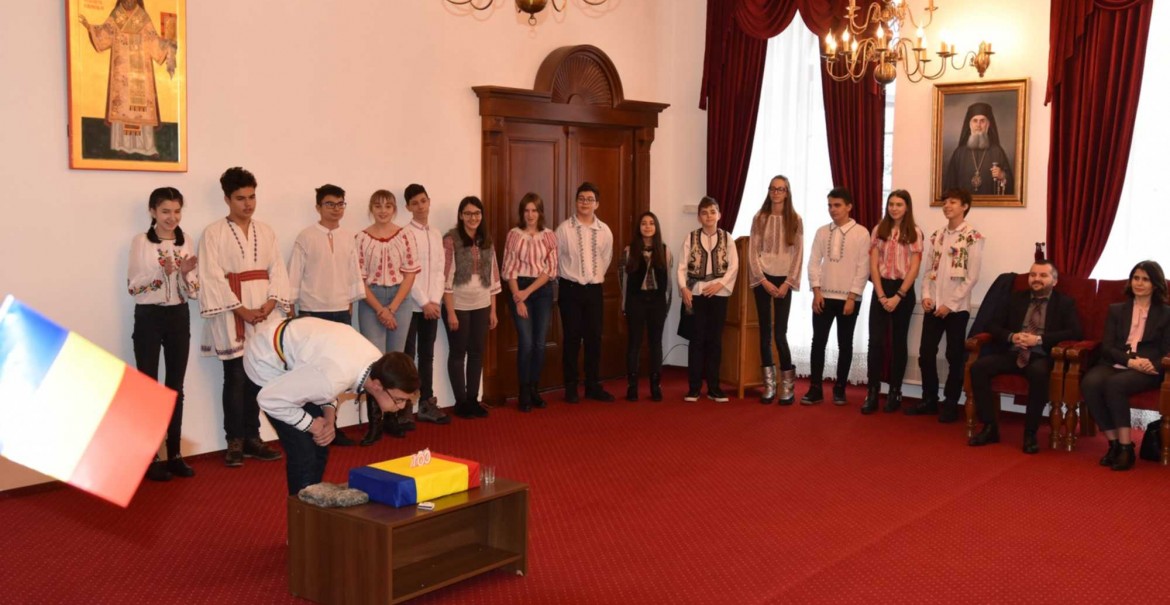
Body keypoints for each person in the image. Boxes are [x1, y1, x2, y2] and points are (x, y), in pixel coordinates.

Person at [244, 317, 419, 495]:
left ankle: (314, 500)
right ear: (377, 386)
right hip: (265, 358)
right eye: (398, 400)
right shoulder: (333, 378)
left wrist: (329, 418)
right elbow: (270, 399)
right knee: (303, 452)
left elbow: (326, 379)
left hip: (303, 354)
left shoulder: (376, 364)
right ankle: (301, 507)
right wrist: (312, 425)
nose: (401, 407)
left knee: (321, 443)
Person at [197, 166, 288, 467]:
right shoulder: (213, 233)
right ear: (227, 199)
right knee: (235, 377)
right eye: (240, 198)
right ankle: (234, 441)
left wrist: (272, 302)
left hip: (264, 311)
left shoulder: (266, 231)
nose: (248, 204)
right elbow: (211, 277)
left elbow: (278, 269)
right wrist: (241, 309)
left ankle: (253, 437)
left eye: (251, 197)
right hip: (231, 312)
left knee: (258, 376)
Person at [356, 190, 445, 443]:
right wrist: (380, 310)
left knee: (397, 361)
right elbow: (359, 279)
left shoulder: (405, 235)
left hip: (400, 300)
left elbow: (410, 274)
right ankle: (375, 423)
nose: (383, 211)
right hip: (371, 301)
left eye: (387, 206)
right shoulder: (360, 238)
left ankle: (394, 418)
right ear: (371, 209)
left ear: (394, 209)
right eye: (378, 206)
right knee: (374, 364)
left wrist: (392, 308)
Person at [968, 260, 1082, 453]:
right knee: (978, 367)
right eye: (1033, 275)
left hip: (1042, 355)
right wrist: (1012, 336)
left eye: (1043, 275)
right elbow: (992, 325)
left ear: (1054, 281)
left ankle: (1030, 433)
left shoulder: (1064, 303)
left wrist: (1039, 339)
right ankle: (989, 427)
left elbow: (1075, 332)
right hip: (1013, 352)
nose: (1036, 279)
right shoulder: (1015, 298)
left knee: (1038, 373)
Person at [128, 187, 199, 482]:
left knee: (175, 388)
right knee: (149, 388)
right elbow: (134, 287)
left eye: (177, 211)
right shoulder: (141, 242)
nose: (172, 217)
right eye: (166, 211)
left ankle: (175, 454)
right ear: (153, 212)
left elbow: (194, 291)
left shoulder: (187, 241)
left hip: (178, 317)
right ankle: (150, 457)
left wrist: (183, 273)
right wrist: (162, 272)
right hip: (149, 317)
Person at [287, 184, 366, 446]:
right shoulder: (306, 236)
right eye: (330, 204)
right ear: (318, 207)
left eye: (340, 204)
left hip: (340, 311)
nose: (335, 209)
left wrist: (349, 303)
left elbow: (353, 273)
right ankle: (312, 425)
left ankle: (333, 425)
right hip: (312, 311)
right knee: (312, 372)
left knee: (337, 373)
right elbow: (294, 275)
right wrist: (291, 307)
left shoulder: (348, 237)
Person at [1082, 260, 1170, 471]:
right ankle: (1114, 443)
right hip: (1117, 361)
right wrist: (1130, 361)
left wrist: (1153, 365)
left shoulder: (1166, 314)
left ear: (1156, 284)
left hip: (1148, 367)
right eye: (1135, 278)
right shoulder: (1117, 310)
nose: (1139, 283)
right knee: (1089, 383)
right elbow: (1107, 347)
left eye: (1145, 279)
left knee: (1115, 385)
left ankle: (1125, 447)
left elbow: (1166, 349)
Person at [909, 188, 984, 422]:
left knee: (954, 356)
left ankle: (951, 402)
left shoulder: (973, 237)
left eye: (953, 202)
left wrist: (950, 304)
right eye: (945, 202)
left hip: (957, 309)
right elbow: (928, 270)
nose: (947, 206)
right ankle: (929, 399)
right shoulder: (937, 235)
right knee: (926, 354)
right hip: (933, 306)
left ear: (965, 206)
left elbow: (972, 277)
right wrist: (926, 295)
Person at [77, 0, 177, 157]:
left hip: (141, 73)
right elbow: (104, 35)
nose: (129, 1)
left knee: (143, 108)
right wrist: (90, 27)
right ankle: (122, 145)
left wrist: (168, 44)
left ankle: (147, 147)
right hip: (122, 72)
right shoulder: (117, 16)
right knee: (122, 105)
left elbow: (154, 41)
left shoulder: (142, 17)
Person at [802, 188, 870, 406]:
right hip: (823, 296)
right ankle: (815, 388)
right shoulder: (822, 232)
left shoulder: (862, 233)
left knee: (845, 344)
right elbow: (813, 262)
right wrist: (816, 291)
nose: (833, 209)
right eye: (830, 205)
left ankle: (840, 388)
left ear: (849, 206)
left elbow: (863, 268)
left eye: (837, 205)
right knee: (818, 342)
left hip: (849, 299)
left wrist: (852, 297)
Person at [861, 190, 924, 414]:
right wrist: (880, 295)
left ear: (907, 208)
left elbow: (914, 268)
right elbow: (873, 265)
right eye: (891, 204)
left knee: (898, 342)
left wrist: (898, 296)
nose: (894, 208)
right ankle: (872, 391)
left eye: (899, 204)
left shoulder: (914, 232)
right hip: (881, 288)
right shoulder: (879, 230)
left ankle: (895, 391)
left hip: (903, 291)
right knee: (875, 342)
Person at [556, 182, 615, 403]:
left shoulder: (604, 231)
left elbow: (606, 259)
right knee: (571, 339)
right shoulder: (564, 229)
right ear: (575, 202)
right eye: (581, 198)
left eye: (590, 199)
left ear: (596, 204)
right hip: (570, 290)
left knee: (594, 339)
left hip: (594, 291)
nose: (585, 203)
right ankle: (571, 387)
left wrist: (593, 278)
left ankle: (592, 385)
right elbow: (556, 259)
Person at [747, 175, 804, 405]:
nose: (776, 193)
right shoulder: (759, 218)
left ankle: (787, 386)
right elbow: (752, 252)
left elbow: (798, 254)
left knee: (780, 333)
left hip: (784, 281)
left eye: (780, 189)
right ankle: (769, 385)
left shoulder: (795, 220)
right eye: (773, 189)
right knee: (765, 333)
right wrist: (762, 280)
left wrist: (788, 283)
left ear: (787, 192)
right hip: (763, 279)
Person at [443, 196, 501, 419]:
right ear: (460, 215)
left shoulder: (486, 240)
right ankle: (460, 402)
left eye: (476, 213)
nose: (473, 218)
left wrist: (493, 310)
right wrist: (450, 312)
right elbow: (446, 277)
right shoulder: (451, 240)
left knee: (477, 353)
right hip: (458, 305)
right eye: (468, 213)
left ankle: (473, 399)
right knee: (458, 353)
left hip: (482, 304)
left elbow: (493, 276)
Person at [501, 193, 558, 412]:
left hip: (541, 291)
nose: (530, 215)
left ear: (540, 212)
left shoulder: (549, 236)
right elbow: (509, 269)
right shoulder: (514, 235)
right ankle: (523, 391)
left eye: (534, 210)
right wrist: (519, 298)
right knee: (526, 342)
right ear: (522, 213)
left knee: (540, 343)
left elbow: (550, 270)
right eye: (526, 210)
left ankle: (535, 388)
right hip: (518, 289)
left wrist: (528, 292)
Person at [679, 197, 738, 403]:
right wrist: (684, 288)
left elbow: (733, 267)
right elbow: (682, 267)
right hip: (697, 293)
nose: (709, 216)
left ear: (719, 215)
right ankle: (694, 388)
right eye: (704, 213)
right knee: (696, 340)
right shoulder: (691, 237)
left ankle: (714, 388)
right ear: (699, 217)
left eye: (712, 212)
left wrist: (720, 284)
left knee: (715, 340)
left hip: (719, 294)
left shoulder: (727, 238)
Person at [402, 185, 448, 426]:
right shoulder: (405, 234)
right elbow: (408, 273)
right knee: (408, 357)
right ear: (408, 207)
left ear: (429, 201)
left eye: (423, 201)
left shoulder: (436, 233)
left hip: (433, 305)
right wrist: (423, 302)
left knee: (427, 355)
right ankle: (404, 408)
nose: (420, 206)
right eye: (414, 203)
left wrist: (435, 300)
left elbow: (440, 270)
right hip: (411, 305)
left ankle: (426, 404)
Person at [620, 211, 673, 402]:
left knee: (655, 344)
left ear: (656, 227)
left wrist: (666, 304)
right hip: (636, 301)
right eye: (644, 223)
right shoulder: (629, 251)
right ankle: (632, 386)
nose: (648, 226)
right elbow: (623, 281)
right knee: (634, 343)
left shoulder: (665, 251)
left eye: (651, 223)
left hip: (657, 302)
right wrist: (624, 305)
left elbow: (668, 282)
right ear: (639, 227)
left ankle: (655, 385)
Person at [943, 102, 1014, 196]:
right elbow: (950, 185)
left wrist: (1002, 176)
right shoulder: (959, 153)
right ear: (970, 125)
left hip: (991, 204)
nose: (978, 125)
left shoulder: (997, 152)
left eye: (982, 121)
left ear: (988, 125)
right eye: (975, 121)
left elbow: (1012, 186)